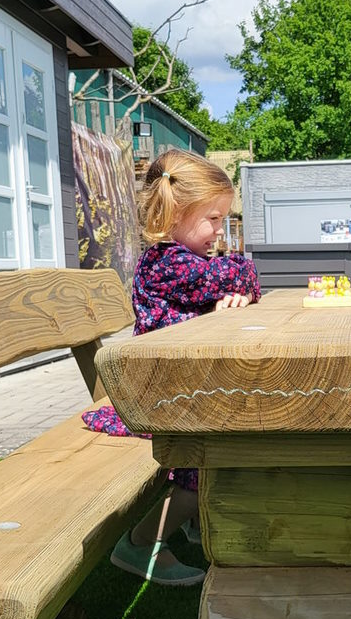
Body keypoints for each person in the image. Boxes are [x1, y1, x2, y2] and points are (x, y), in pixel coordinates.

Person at [83, 149, 261, 586]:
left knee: (227, 430)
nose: (220, 231)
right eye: (214, 219)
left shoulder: (189, 261)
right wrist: (228, 299)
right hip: (161, 396)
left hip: (178, 387)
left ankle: (193, 522)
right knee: (204, 457)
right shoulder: (169, 264)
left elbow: (241, 284)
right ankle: (140, 544)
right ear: (175, 214)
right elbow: (246, 275)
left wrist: (226, 305)